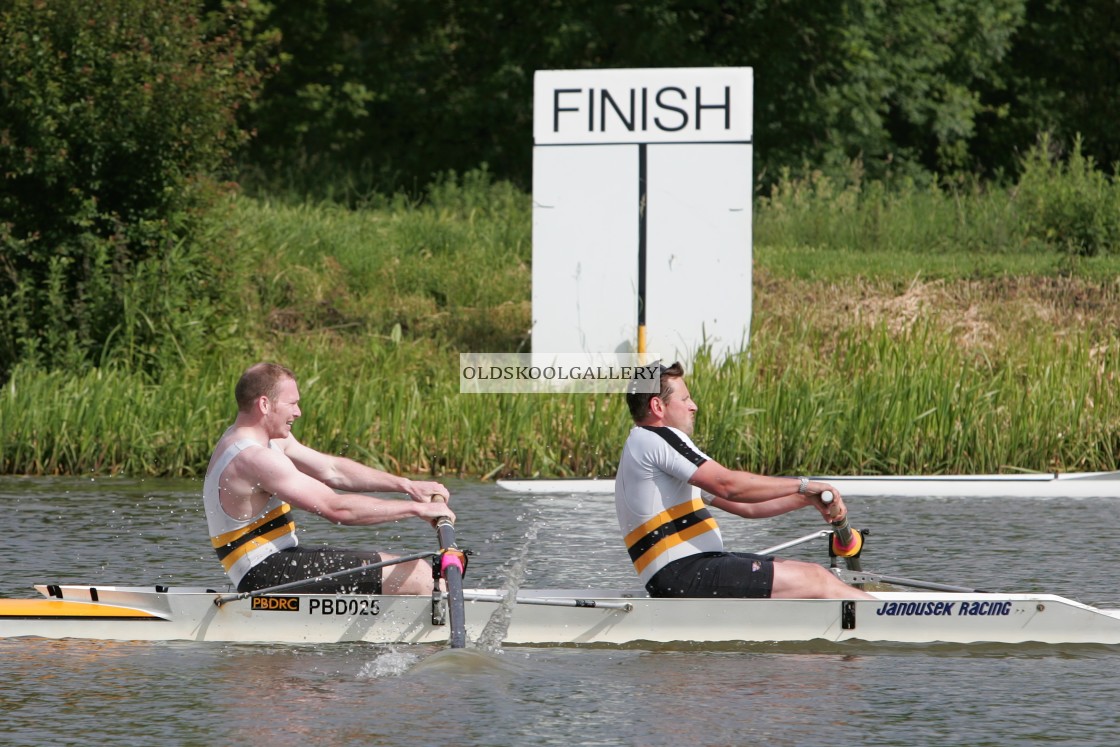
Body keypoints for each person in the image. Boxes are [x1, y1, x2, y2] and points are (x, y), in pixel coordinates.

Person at [615, 361, 873, 600]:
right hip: (685, 573)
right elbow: (729, 486)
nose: (694, 406)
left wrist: (806, 498)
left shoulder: (650, 451)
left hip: (690, 572)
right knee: (815, 578)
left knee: (814, 575)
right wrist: (803, 484)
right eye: (685, 399)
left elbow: (748, 507)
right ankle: (895, 619)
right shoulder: (655, 438)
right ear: (658, 407)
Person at [203, 362, 455, 595]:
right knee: (419, 573)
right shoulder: (253, 458)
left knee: (413, 571)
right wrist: (418, 509)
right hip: (266, 575)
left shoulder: (259, 440)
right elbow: (336, 509)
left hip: (279, 562)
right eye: (292, 404)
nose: (298, 412)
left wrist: (407, 485)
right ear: (265, 405)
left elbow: (332, 470)